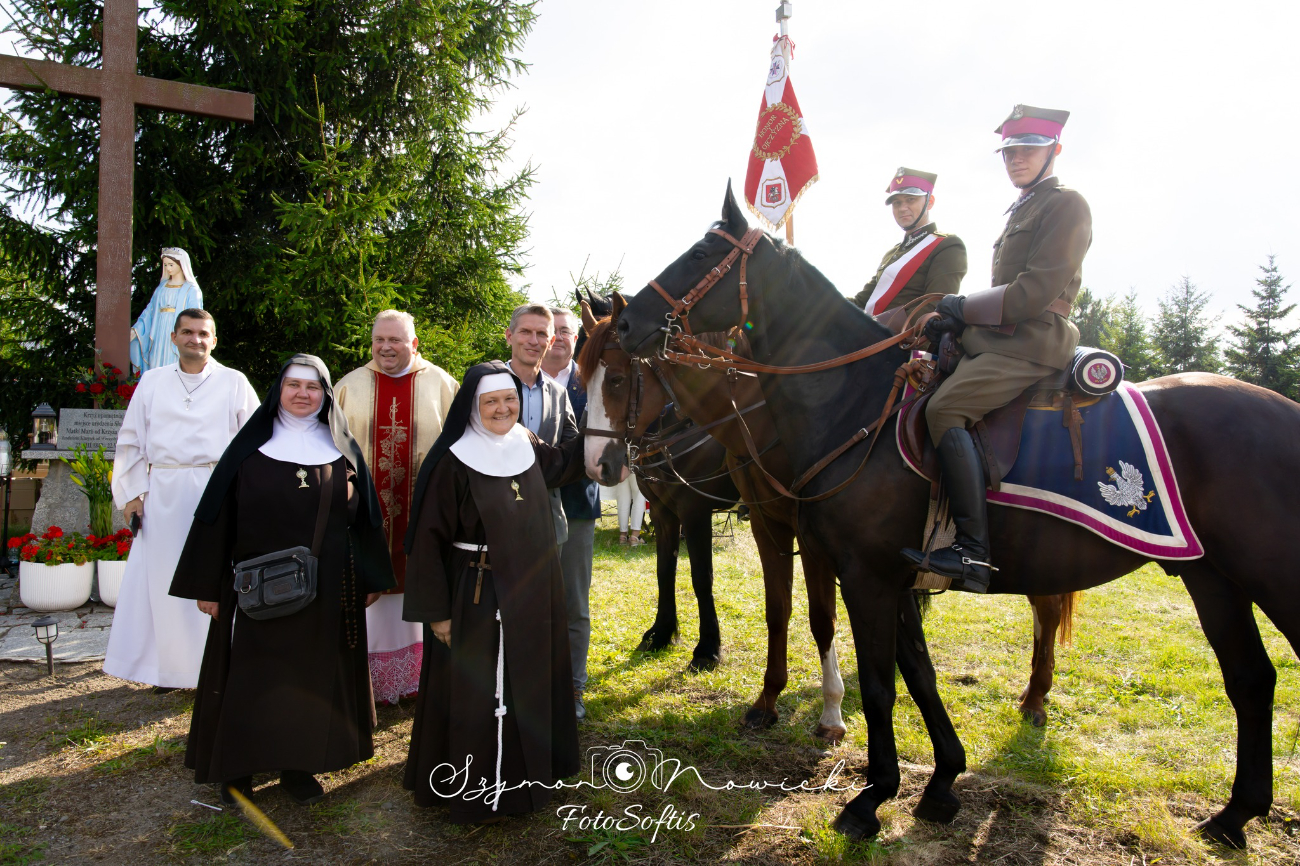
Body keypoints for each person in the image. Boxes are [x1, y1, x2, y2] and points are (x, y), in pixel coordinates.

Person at [171, 355, 395, 806]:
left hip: (326, 587)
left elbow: (367, 519)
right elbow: (216, 518)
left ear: (325, 395)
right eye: (293, 385)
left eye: (312, 387)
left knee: (310, 679)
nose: (302, 394)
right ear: (279, 390)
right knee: (251, 678)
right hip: (256, 590)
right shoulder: (248, 450)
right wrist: (208, 585)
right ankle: (238, 771)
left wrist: (370, 577)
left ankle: (298, 766)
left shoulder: (342, 449)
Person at [902, 105, 1092, 593]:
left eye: (1027, 149)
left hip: (1032, 341)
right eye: (1009, 151)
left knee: (944, 410)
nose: (1016, 159)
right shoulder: (1025, 207)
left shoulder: (1066, 204)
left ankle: (973, 553)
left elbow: (1032, 293)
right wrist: (955, 321)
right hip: (1000, 337)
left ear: (1055, 150)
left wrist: (959, 306)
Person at [401, 361, 586, 823]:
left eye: (509, 400)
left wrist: (603, 423)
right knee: (475, 691)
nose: (503, 409)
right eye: (491, 402)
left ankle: (526, 781)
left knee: (527, 682)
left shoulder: (526, 442)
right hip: (475, 593)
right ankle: (473, 789)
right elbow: (426, 541)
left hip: (529, 592)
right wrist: (437, 614)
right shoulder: (452, 460)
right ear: (472, 407)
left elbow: (561, 465)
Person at [105, 309, 259, 691]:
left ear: (215, 340)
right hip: (165, 493)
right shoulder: (153, 382)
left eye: (204, 333)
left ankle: (216, 665)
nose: (196, 339)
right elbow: (130, 441)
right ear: (173, 337)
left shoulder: (234, 382)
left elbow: (254, 442)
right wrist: (131, 497)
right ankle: (170, 670)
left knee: (215, 574)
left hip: (216, 489)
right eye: (187, 332)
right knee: (165, 580)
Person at [336, 310, 459, 705]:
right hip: (364, 518)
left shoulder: (441, 384)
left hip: (423, 517)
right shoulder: (349, 387)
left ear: (414, 343)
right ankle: (366, 683)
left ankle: (417, 681)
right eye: (379, 340)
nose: (386, 348)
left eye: (396, 340)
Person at [542, 307, 601, 720]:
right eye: (554, 331)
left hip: (577, 504)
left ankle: (573, 687)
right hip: (523, 511)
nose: (561, 338)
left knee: (574, 603)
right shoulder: (517, 383)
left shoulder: (591, 381)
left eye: (567, 331)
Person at [503, 304, 578, 546]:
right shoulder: (485, 386)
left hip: (547, 521)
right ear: (509, 336)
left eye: (542, 334)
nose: (533, 341)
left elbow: (572, 453)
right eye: (525, 332)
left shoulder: (559, 394)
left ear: (551, 340)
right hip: (495, 520)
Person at [853, 168, 966, 321]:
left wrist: (876, 326)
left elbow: (936, 305)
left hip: (906, 341)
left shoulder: (947, 245)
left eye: (910, 199)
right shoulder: (893, 253)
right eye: (896, 203)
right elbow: (860, 302)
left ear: (929, 202)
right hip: (873, 337)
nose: (902, 208)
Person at [130, 248, 204, 372]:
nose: (168, 268)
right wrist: (137, 329)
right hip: (158, 330)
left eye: (171, 264)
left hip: (178, 328)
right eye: (165, 265)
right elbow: (150, 311)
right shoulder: (162, 287)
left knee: (175, 360)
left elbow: (195, 316)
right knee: (156, 361)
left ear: (181, 264)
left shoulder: (192, 289)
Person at [607, 475, 647, 545]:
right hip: (635, 467)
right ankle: (635, 536)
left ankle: (623, 536)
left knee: (622, 501)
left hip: (620, 467)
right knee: (639, 498)